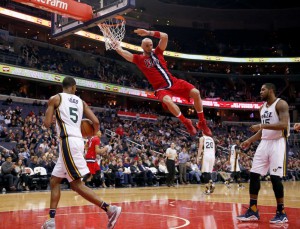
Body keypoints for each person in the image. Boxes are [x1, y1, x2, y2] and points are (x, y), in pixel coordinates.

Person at [42, 77, 121, 229]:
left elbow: (46, 124)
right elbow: (96, 122)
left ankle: (110, 209)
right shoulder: (81, 102)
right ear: (73, 87)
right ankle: (51, 221)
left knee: (76, 185)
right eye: (76, 88)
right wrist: (89, 134)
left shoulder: (55, 99)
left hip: (67, 142)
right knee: (54, 180)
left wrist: (54, 117)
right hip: (76, 142)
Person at [102, 27, 212, 136]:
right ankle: (186, 122)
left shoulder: (158, 52)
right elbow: (120, 50)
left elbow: (165, 36)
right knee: (168, 101)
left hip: (174, 82)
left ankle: (202, 122)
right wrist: (108, 34)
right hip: (161, 88)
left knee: (196, 93)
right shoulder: (138, 59)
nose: (149, 47)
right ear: (142, 46)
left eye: (150, 45)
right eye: (147, 45)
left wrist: (148, 33)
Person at [237, 83, 289, 224]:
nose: (260, 92)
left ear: (271, 90)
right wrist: (250, 140)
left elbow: (284, 124)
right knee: (254, 175)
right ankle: (253, 210)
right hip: (264, 143)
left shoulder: (281, 104)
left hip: (278, 143)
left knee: (275, 178)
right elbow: (263, 131)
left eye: (263, 89)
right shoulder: (262, 108)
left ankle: (281, 212)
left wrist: (261, 125)